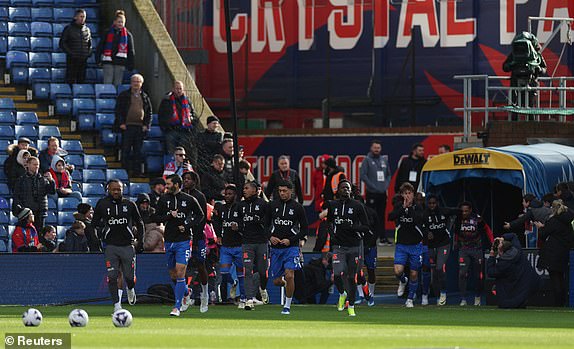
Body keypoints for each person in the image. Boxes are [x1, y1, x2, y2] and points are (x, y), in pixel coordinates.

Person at [155, 174, 205, 316]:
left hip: (184, 240)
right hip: (169, 240)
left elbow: (200, 215)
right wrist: (169, 216)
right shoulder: (163, 199)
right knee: (173, 274)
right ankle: (186, 291)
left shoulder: (189, 199)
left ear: (177, 184)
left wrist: (187, 224)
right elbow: (156, 217)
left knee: (180, 271)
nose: (167, 186)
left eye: (169, 183)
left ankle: (177, 307)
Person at [92, 179, 144, 312]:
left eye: (118, 189)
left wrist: (140, 241)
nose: (116, 191)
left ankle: (130, 288)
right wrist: (97, 239)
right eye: (113, 189)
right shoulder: (102, 204)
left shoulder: (130, 204)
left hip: (127, 245)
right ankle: (117, 305)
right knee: (112, 276)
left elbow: (140, 223)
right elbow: (93, 224)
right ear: (108, 190)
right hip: (110, 246)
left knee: (128, 277)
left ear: (123, 189)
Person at [325, 180, 369, 316]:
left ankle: (351, 305)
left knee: (351, 277)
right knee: (337, 274)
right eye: (343, 188)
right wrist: (332, 236)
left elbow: (366, 226)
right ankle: (342, 294)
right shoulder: (332, 205)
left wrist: (353, 228)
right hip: (339, 246)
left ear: (351, 191)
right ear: (338, 190)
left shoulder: (357, 206)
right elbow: (329, 222)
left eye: (348, 188)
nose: (345, 190)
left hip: (354, 246)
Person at [266, 180, 308, 315]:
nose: (282, 193)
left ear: (291, 191)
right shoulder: (272, 205)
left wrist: (291, 240)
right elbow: (264, 225)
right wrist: (270, 237)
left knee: (290, 275)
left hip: (292, 248)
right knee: (277, 281)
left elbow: (305, 229)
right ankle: (288, 285)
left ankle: (287, 306)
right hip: (276, 249)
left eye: (284, 191)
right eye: (280, 191)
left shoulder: (298, 207)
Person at [388, 182, 424, 308]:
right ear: (402, 195)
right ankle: (403, 281)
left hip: (415, 245)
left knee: (414, 273)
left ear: (413, 195)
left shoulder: (418, 207)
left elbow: (419, 219)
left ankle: (410, 299)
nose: (408, 196)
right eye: (405, 193)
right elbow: (390, 217)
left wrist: (409, 209)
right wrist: (403, 208)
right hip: (402, 245)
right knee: (398, 271)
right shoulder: (399, 206)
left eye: (410, 193)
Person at [533, 200, 574, 307]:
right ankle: (563, 301)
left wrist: (540, 228)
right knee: (561, 278)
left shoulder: (553, 221)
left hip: (552, 252)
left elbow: (543, 235)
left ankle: (558, 303)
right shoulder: (568, 222)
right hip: (563, 252)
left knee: (555, 278)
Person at [181, 171, 211, 312]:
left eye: (188, 179)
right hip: (183, 237)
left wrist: (193, 228)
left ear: (195, 181)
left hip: (198, 236)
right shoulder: (180, 196)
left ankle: (204, 293)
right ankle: (186, 295)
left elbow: (202, 217)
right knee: (183, 266)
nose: (186, 181)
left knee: (200, 264)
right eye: (184, 179)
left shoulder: (199, 196)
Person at [421, 195, 459, 305]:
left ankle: (443, 293)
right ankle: (437, 296)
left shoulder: (444, 211)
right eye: (430, 203)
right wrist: (427, 233)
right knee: (432, 272)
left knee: (439, 268)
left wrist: (449, 229)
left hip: (443, 244)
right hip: (430, 246)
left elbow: (456, 212)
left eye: (434, 203)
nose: (432, 205)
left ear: (437, 203)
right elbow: (421, 226)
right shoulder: (425, 214)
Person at [237, 181, 270, 310]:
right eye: (243, 188)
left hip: (261, 242)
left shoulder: (263, 204)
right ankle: (249, 299)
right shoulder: (240, 205)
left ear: (255, 190)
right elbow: (239, 221)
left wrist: (259, 221)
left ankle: (263, 288)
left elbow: (268, 222)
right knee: (248, 271)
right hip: (247, 243)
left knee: (262, 271)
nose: (244, 190)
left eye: (247, 188)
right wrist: (237, 227)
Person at [212, 185, 246, 308]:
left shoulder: (241, 208)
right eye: (226, 194)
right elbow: (216, 221)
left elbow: (247, 224)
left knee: (241, 274)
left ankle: (242, 298)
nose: (227, 196)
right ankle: (233, 282)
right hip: (226, 247)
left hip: (239, 246)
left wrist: (239, 228)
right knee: (224, 272)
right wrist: (218, 235)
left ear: (235, 195)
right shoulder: (221, 208)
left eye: (230, 194)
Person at [455, 201, 493, 306]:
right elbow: (455, 232)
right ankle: (463, 299)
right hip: (464, 249)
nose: (464, 213)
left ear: (470, 210)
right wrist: (455, 242)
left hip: (477, 249)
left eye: (466, 211)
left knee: (479, 276)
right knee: (462, 273)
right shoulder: (458, 219)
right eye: (462, 211)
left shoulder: (477, 218)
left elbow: (487, 229)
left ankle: (477, 296)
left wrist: (492, 241)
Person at [486, 234, 540, 308]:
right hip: (530, 283)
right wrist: (502, 238)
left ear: (501, 251)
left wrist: (492, 256)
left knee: (506, 303)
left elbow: (490, 272)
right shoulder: (517, 249)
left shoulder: (503, 264)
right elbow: (513, 236)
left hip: (516, 289)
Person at [115, 73, 152, 177]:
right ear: (131, 83)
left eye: (138, 82)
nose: (136, 84)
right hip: (127, 127)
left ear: (141, 84)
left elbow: (149, 112)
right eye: (134, 82)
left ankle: (137, 172)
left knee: (138, 151)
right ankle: (124, 172)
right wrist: (121, 123)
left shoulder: (145, 96)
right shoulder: (124, 95)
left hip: (140, 128)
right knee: (126, 150)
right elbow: (118, 110)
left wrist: (146, 125)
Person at [360, 140, 392, 246]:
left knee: (381, 215)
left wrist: (385, 185)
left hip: (382, 193)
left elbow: (388, 174)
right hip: (372, 193)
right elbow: (363, 175)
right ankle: (371, 237)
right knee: (371, 216)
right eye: (375, 148)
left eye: (378, 148)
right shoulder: (367, 160)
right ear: (371, 148)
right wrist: (373, 186)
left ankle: (382, 237)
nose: (377, 150)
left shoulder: (384, 160)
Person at [12, 156, 56, 232]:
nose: (37, 166)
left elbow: (52, 191)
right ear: (28, 165)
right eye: (34, 164)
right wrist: (21, 210)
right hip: (26, 214)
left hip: (40, 213)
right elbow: (16, 196)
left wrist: (51, 181)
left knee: (39, 236)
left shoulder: (43, 179)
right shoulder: (21, 180)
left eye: (38, 164)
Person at [158, 81, 197, 161]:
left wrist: (191, 121)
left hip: (184, 131)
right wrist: (165, 127)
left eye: (180, 89)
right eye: (177, 88)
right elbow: (161, 115)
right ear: (173, 89)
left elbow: (193, 114)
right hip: (171, 130)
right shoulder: (166, 100)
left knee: (184, 152)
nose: (179, 90)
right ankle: (172, 169)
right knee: (171, 152)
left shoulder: (187, 101)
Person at [96, 10, 135, 86]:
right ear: (114, 22)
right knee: (107, 83)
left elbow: (131, 50)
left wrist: (131, 64)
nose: (120, 24)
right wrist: (98, 60)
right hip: (108, 61)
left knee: (118, 83)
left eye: (122, 22)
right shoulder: (107, 33)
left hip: (120, 62)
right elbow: (100, 46)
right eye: (119, 22)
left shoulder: (128, 35)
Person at [59, 8, 92, 84]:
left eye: (84, 16)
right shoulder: (68, 29)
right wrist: (71, 53)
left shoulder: (87, 30)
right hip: (72, 60)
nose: (82, 18)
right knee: (70, 80)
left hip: (83, 60)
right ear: (75, 17)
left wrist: (88, 52)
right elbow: (62, 43)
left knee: (81, 81)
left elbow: (90, 43)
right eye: (81, 16)